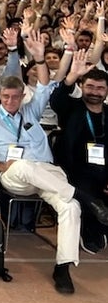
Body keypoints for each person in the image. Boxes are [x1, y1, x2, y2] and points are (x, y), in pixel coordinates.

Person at [0, 31, 108, 294]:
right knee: (23, 165)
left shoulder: (31, 111)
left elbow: (48, 87)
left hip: (47, 174)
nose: (11, 101)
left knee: (69, 207)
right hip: (15, 176)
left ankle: (63, 268)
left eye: (15, 96)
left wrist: (38, 59)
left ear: (23, 95)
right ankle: (86, 197)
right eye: (6, 97)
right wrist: (1, 166)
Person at [50, 51, 108, 255]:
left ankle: (101, 227)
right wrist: (72, 75)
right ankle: (91, 232)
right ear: (82, 87)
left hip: (104, 170)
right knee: (88, 191)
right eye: (90, 86)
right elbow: (56, 99)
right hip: (75, 171)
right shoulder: (71, 108)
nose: (95, 92)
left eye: (100, 88)